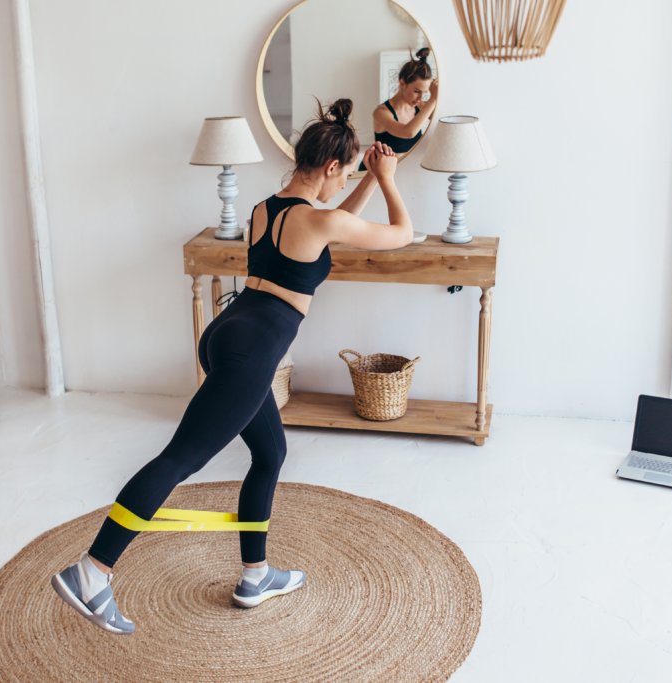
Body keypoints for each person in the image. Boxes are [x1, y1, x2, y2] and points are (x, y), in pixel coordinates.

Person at [51, 99, 414, 635]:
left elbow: (335, 222)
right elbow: (402, 233)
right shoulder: (322, 218)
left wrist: (364, 179)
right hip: (251, 355)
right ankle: (92, 571)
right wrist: (387, 179)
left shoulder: (264, 210)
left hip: (227, 334)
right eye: (348, 173)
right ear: (333, 167)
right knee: (179, 459)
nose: (347, 183)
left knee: (270, 454)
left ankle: (256, 575)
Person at [359, 48, 438, 172]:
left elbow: (445, 120)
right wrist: (433, 99)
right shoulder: (381, 113)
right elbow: (408, 132)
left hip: (406, 173)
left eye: (425, 92)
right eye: (417, 91)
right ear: (402, 83)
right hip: (375, 173)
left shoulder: (422, 107)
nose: (421, 97)